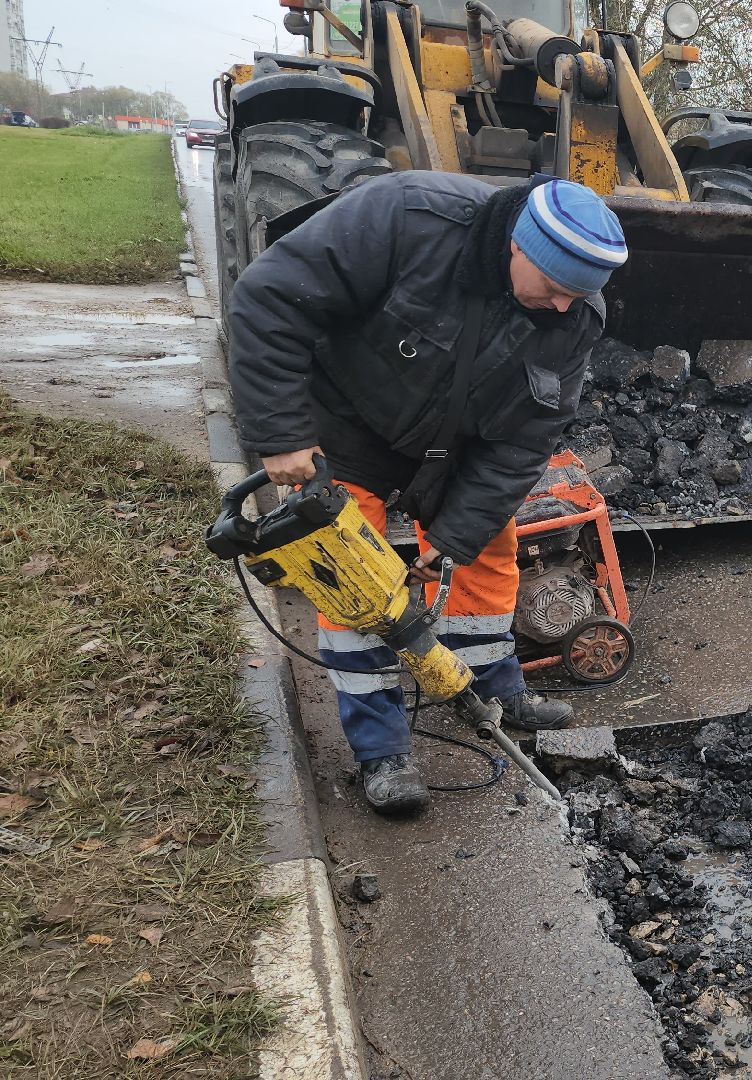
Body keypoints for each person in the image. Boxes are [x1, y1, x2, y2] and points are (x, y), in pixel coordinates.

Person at [227, 172, 627, 816]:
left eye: (578, 296)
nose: (562, 307)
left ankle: (492, 693)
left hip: (457, 447)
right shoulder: (408, 218)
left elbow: (524, 444)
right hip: (348, 429)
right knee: (359, 588)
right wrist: (279, 436)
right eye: (554, 289)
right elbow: (271, 299)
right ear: (519, 248)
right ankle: (381, 750)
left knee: (485, 552)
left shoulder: (573, 315)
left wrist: (450, 540)